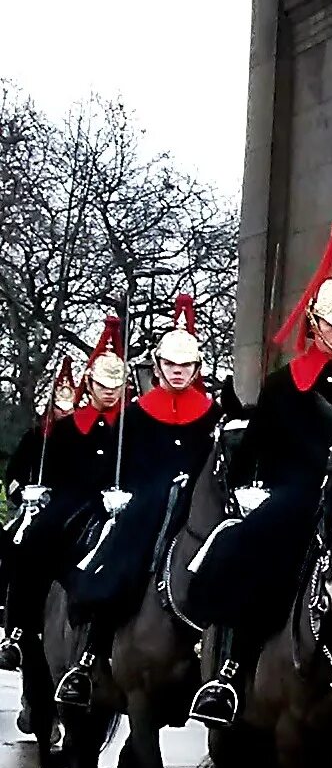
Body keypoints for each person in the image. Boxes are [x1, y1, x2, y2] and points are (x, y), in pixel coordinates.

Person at [186, 220, 332, 726]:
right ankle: (229, 669)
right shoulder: (283, 386)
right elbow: (256, 452)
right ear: (314, 322)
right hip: (299, 493)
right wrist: (251, 489)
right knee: (254, 548)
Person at [56, 296, 221, 709]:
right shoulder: (138, 413)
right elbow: (116, 464)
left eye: (186, 366)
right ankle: (91, 652)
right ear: (159, 367)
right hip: (147, 501)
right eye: (171, 365)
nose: (178, 372)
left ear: (196, 369)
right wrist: (117, 493)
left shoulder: (210, 413)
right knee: (119, 557)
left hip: (195, 503)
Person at [4, 331, 124, 680]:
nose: (109, 392)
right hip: (72, 500)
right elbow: (52, 471)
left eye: (115, 386)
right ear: (91, 385)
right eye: (103, 385)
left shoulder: (129, 426)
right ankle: (20, 629)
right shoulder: (69, 427)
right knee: (31, 541)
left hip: (114, 503)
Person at [1, 356, 84, 674]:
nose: (64, 409)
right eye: (59, 402)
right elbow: (15, 474)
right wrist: (25, 493)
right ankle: (14, 624)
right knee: (13, 542)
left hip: (66, 505)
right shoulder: (35, 439)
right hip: (33, 504)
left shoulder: (77, 438)